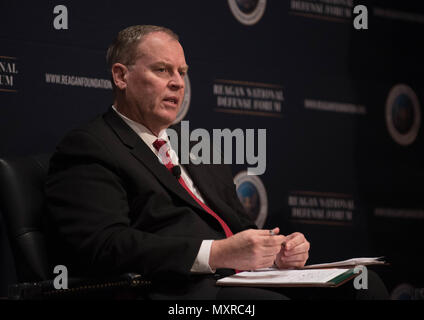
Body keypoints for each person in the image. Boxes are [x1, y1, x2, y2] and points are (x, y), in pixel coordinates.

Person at [45, 25, 387, 300]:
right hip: (173, 289)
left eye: (182, 71)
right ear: (121, 77)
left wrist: (275, 251)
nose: (177, 82)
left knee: (363, 286)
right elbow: (105, 246)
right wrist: (217, 253)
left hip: (240, 280)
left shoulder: (196, 146)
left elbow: (239, 227)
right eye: (162, 69)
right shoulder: (92, 146)